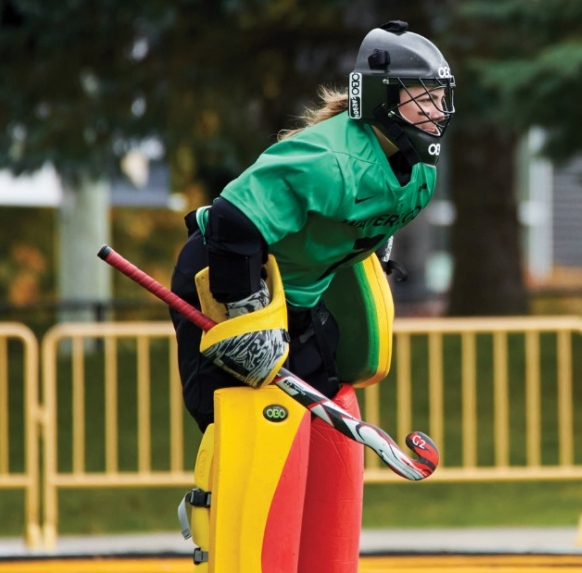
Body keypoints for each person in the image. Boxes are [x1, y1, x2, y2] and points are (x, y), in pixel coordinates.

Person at [169, 20, 454, 573]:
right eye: (424, 97)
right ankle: (223, 547)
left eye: (442, 96)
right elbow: (231, 221)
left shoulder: (419, 174)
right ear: (381, 100)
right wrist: (246, 316)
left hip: (298, 290)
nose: (437, 110)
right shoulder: (332, 161)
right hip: (223, 273)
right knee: (251, 417)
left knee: (327, 399)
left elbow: (366, 225)